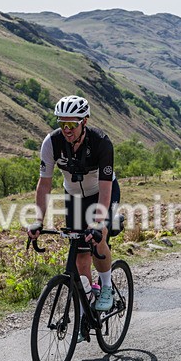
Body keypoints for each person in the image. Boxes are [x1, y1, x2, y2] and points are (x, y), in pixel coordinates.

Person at [27, 95, 120, 313]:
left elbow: (106, 187)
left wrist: (98, 224)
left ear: (84, 122)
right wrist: (38, 220)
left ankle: (106, 286)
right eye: (62, 123)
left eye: (71, 124)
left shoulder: (101, 142)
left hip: (101, 193)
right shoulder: (51, 143)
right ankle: (86, 307)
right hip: (74, 196)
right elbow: (44, 185)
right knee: (79, 255)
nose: (66, 129)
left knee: (98, 239)